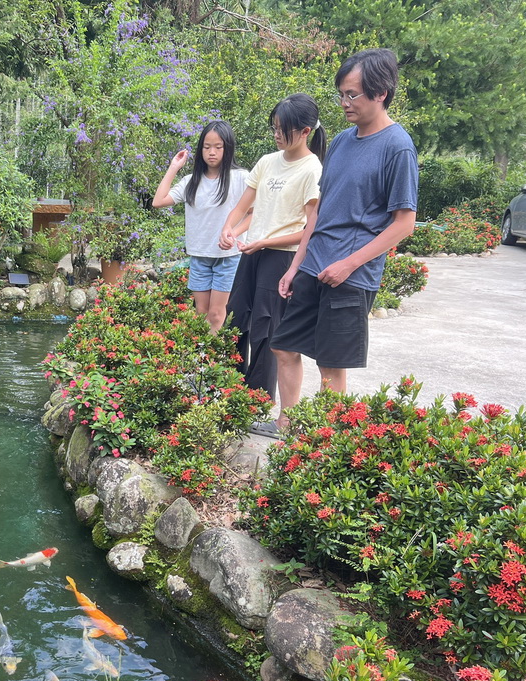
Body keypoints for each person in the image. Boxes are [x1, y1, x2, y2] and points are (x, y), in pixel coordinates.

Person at [264, 48, 418, 436]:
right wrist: (296, 265)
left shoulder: (397, 147)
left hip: (350, 277)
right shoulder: (344, 141)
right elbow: (320, 211)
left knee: (331, 366)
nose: (344, 103)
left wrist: (349, 264)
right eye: (341, 95)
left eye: (352, 95)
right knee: (283, 346)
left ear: (381, 92)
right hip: (313, 265)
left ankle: (324, 447)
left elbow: (404, 224)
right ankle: (288, 426)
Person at [218, 94, 326, 399]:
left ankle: (257, 398)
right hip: (253, 253)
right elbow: (245, 208)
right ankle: (230, 389)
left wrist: (265, 241)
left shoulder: (312, 169)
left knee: (266, 329)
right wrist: (228, 229)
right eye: (275, 128)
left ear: (306, 131)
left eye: (284, 130)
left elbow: (309, 230)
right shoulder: (267, 162)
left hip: (281, 257)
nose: (277, 135)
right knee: (235, 319)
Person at [152, 120, 249, 332]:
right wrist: (174, 167)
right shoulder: (191, 181)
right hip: (200, 256)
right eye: (206, 147)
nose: (211, 152)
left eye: (218, 147)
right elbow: (158, 201)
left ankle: (210, 361)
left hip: (228, 257)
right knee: (201, 314)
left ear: (228, 148)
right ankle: (204, 360)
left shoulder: (241, 178)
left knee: (216, 314)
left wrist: (234, 232)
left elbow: (254, 213)